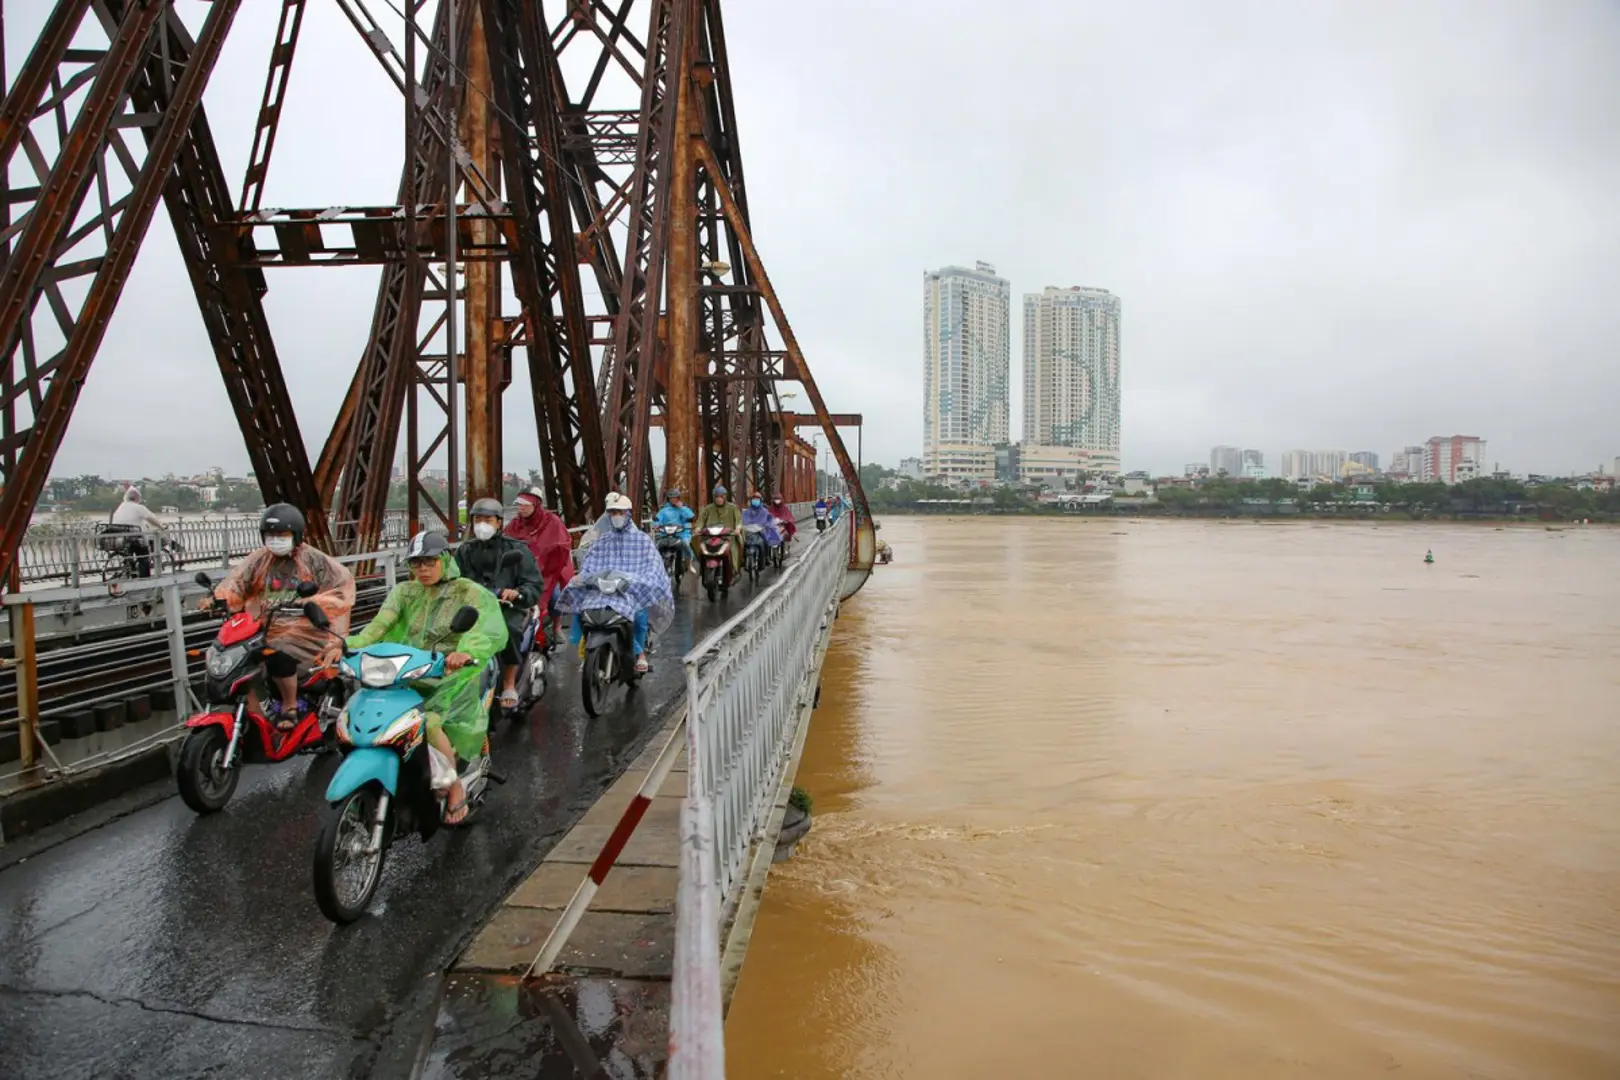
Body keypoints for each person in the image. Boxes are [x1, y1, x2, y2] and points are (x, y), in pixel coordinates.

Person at [346, 531, 507, 825]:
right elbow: (378, 627)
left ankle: (454, 785)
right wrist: (347, 645)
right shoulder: (404, 592)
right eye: (417, 563)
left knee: (428, 722)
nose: (423, 569)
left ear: (445, 560)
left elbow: (484, 628)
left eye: (430, 561)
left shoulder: (468, 592)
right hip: (408, 668)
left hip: (452, 672)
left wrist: (465, 652)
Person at [199, 504, 356, 726]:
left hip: (304, 626)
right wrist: (219, 598)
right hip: (264, 624)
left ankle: (289, 707)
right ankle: (255, 714)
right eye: (271, 535)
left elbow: (342, 587)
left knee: (278, 649)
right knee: (235, 655)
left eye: (282, 535)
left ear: (297, 535)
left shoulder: (314, 559)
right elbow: (237, 582)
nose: (276, 540)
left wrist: (313, 602)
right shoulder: (259, 559)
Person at [557, 493, 673, 674]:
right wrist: (584, 577)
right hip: (603, 588)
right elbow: (590, 563)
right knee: (582, 605)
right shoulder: (602, 541)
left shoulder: (642, 540)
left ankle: (640, 653)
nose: (615, 516)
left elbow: (652, 566)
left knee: (639, 616)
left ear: (627, 514)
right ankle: (586, 650)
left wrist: (638, 580)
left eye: (619, 512)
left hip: (629, 589)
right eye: (611, 512)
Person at [455, 498, 544, 710]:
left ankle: (509, 683)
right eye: (477, 519)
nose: (482, 524)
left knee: (508, 629)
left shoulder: (516, 550)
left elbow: (533, 583)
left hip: (507, 608)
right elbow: (453, 579)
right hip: (474, 608)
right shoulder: (464, 551)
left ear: (499, 523)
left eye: (487, 519)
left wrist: (518, 593)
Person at [504, 488, 575, 642]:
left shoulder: (552, 521)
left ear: (536, 505)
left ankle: (557, 627)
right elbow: (504, 543)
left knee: (556, 597)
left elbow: (564, 544)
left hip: (547, 572)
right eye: (519, 505)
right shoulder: (515, 524)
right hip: (520, 572)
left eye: (525, 505)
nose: (521, 508)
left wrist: (545, 556)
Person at [108, 486, 166, 577]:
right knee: (143, 556)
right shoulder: (139, 507)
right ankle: (145, 579)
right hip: (135, 538)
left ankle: (130, 572)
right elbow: (151, 519)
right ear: (137, 498)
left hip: (119, 538)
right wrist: (161, 526)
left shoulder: (121, 507)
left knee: (129, 555)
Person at [692, 483, 743, 575]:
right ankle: (702, 568)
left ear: (725, 497)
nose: (719, 499)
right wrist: (698, 528)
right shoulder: (708, 508)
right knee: (700, 546)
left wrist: (737, 529)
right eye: (717, 497)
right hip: (710, 535)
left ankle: (734, 568)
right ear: (714, 497)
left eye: (721, 496)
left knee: (733, 548)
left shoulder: (733, 508)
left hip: (728, 536)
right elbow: (701, 520)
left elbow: (738, 521)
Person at [652, 487, 695, 580]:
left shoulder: (683, 508)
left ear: (678, 498)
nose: (673, 500)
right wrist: (656, 525)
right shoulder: (664, 510)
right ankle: (655, 565)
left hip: (681, 533)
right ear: (668, 499)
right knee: (656, 546)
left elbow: (690, 516)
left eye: (675, 497)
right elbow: (658, 519)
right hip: (666, 534)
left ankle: (689, 564)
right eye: (671, 498)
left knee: (686, 544)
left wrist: (682, 509)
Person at [740, 490, 782, 557]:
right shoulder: (746, 511)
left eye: (757, 499)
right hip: (749, 532)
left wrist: (768, 525)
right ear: (751, 500)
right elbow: (742, 520)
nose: (755, 501)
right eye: (754, 499)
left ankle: (766, 557)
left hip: (761, 532)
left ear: (760, 500)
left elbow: (770, 519)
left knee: (766, 541)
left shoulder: (765, 511)